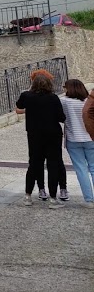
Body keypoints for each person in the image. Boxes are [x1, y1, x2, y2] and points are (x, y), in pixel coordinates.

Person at [16, 73, 66, 208]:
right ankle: (53, 199)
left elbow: (19, 105)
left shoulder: (27, 96)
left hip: (34, 135)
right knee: (53, 165)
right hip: (52, 135)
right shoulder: (53, 98)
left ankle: (27, 196)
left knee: (34, 164)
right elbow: (61, 117)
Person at [61, 79, 93, 207]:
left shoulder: (64, 101)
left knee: (81, 170)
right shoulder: (89, 101)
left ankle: (89, 200)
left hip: (73, 139)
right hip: (90, 138)